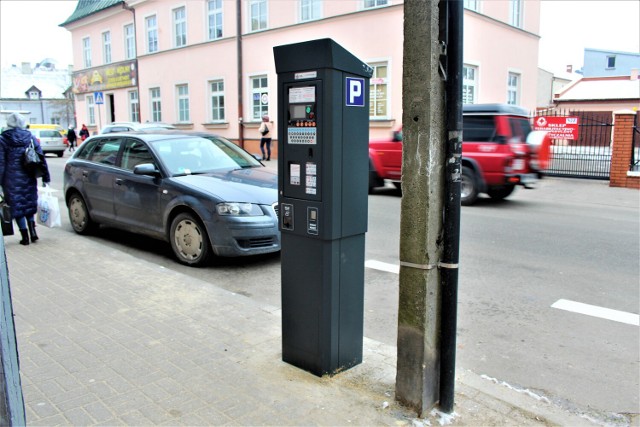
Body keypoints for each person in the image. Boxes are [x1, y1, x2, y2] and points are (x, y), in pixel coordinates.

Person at [0, 113, 51, 245]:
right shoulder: (30, 137)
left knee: (17, 206)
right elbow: (41, 158)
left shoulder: (3, 139)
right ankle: (33, 232)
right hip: (29, 175)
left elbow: (1, 163)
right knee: (28, 203)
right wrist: (46, 177)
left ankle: (25, 237)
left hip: (11, 179)